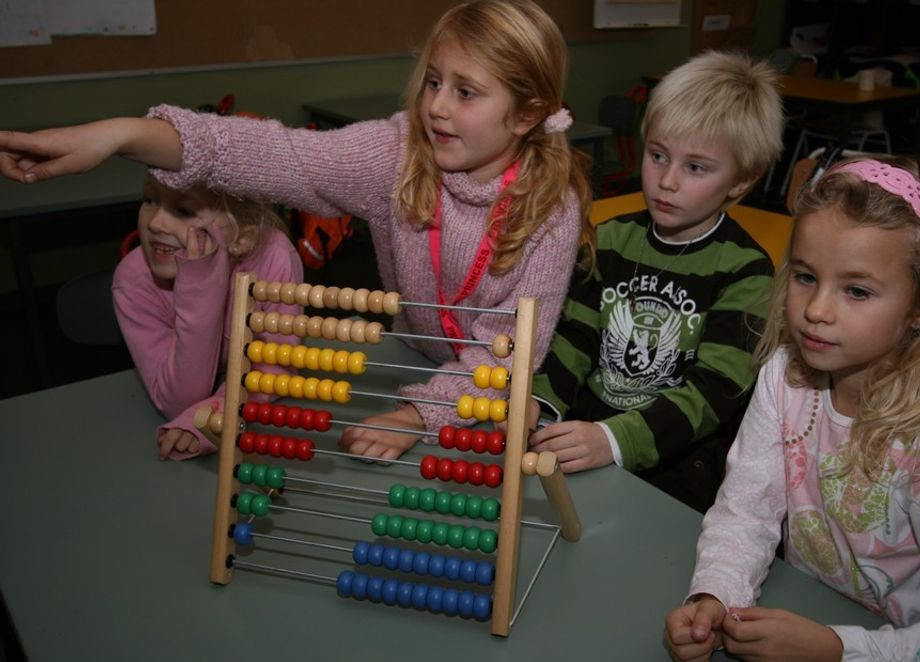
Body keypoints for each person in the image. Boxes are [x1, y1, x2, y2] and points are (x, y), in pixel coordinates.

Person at [0, 0, 592, 461]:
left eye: (465, 92)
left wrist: (417, 417)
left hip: (480, 393)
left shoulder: (549, 207)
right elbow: (276, 154)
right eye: (434, 81)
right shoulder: (398, 153)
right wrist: (121, 135)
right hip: (405, 359)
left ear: (527, 112)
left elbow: (506, 353)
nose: (436, 106)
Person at [664, 156, 920, 662]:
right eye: (805, 276)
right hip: (810, 616)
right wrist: (714, 594)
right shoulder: (785, 375)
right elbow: (748, 509)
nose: (817, 310)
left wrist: (838, 652)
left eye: (857, 290)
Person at [526, 51, 783, 512]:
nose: (666, 181)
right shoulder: (611, 238)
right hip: (584, 433)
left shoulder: (748, 273)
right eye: (657, 155)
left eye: (696, 168)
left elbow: (713, 392)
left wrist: (615, 440)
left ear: (741, 182)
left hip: (675, 464)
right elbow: (576, 336)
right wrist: (540, 402)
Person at [112, 174, 303, 460]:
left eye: (184, 211)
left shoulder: (274, 259)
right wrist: (199, 290)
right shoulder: (134, 282)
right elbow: (180, 401)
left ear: (243, 238)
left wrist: (211, 418)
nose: (155, 223)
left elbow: (276, 369)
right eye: (150, 200)